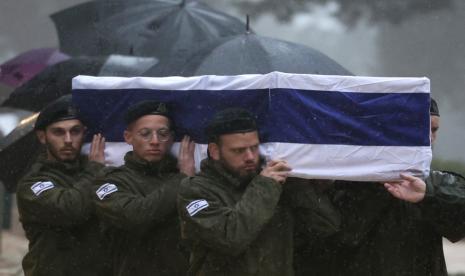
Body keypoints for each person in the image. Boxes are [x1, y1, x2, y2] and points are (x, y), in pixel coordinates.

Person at [295, 97, 465, 276]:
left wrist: (428, 194)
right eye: (422, 128)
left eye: (434, 130)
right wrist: (377, 184)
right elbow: (337, 236)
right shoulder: (349, 181)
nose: (429, 138)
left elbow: (458, 223)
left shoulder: (436, 181)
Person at [177, 108, 340, 276]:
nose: (250, 157)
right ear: (215, 151)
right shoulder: (194, 190)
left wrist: (298, 183)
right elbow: (230, 239)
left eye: (254, 148)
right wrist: (265, 185)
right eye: (239, 151)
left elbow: (326, 226)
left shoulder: (275, 184)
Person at [93, 100, 195, 276]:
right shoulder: (110, 182)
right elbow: (135, 216)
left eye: (162, 134)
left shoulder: (185, 180)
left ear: (171, 138)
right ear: (128, 137)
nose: (155, 141)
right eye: (145, 134)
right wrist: (182, 179)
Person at [16, 95, 109, 276]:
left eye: (75, 131)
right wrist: (95, 169)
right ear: (43, 137)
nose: (68, 140)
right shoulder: (33, 183)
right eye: (58, 132)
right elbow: (69, 209)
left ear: (85, 133)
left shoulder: (97, 172)